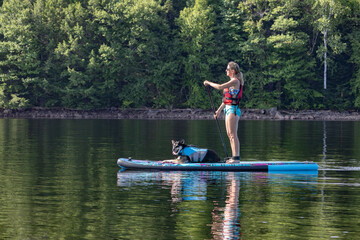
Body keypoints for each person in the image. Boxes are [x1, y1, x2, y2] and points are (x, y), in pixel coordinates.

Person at [204, 61, 244, 163]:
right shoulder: (231, 83)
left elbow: (220, 86)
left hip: (233, 110)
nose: (226, 70)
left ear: (233, 71)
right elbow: (226, 99)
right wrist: (218, 111)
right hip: (228, 109)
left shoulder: (236, 81)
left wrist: (208, 82)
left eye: (227, 69)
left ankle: (236, 158)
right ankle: (234, 157)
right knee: (230, 135)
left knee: (233, 134)